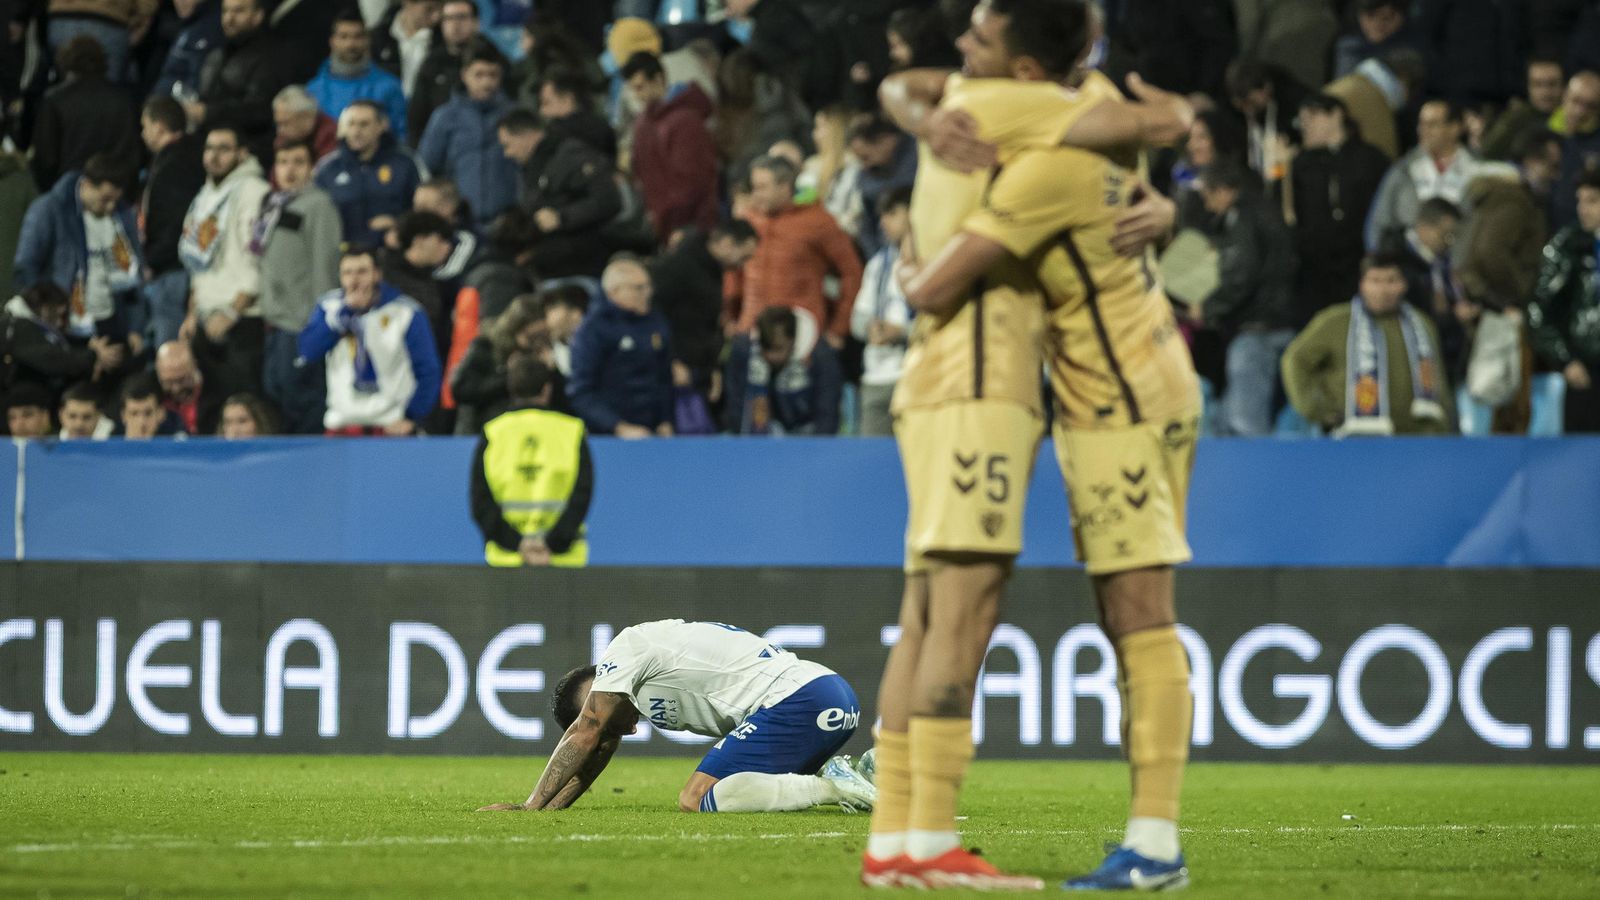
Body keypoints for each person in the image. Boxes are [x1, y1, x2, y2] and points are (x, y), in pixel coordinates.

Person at [875, 0, 1197, 888]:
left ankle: (1155, 844)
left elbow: (937, 284)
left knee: (1133, 608)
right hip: (1092, 388)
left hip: (1125, 397)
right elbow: (1163, 117)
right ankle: (911, 844)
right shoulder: (1062, 102)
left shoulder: (1043, 138)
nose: (959, 54)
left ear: (1020, 70)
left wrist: (907, 271)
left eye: (977, 40)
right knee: (953, 612)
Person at [478, 619, 876, 814]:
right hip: (828, 697)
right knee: (739, 784)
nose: (628, 731)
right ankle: (867, 772)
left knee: (696, 797)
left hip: (801, 699)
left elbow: (592, 730)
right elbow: (598, 742)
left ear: (594, 692)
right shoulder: (628, 688)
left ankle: (832, 786)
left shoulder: (626, 648)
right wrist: (550, 811)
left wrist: (528, 808)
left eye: (610, 725)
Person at [1281, 253, 1454, 436]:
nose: (1383, 289)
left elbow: (1438, 379)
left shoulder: (1422, 324)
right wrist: (1319, 409)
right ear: (1362, 284)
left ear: (1403, 285)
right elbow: (1295, 360)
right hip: (1352, 436)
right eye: (1375, 281)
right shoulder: (1336, 321)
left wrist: (1442, 423)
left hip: (1417, 436)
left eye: (1391, 280)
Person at [1195, 161, 1297, 436]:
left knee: (1245, 424)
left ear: (1226, 191)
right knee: (1227, 423)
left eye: (1209, 195)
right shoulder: (1265, 211)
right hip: (1279, 322)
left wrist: (1208, 308)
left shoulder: (1243, 217)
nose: (1207, 205)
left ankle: (1257, 477)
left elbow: (1241, 273)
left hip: (1258, 329)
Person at [299, 244, 441, 435]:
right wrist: (343, 316)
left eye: (362, 272)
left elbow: (428, 370)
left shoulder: (405, 312)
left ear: (377, 274)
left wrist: (411, 416)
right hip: (342, 424)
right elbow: (308, 351)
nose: (354, 280)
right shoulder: (329, 308)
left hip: (391, 425)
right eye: (347, 273)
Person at [726, 155, 863, 349]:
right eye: (753, 187)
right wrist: (730, 316)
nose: (755, 195)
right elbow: (733, 271)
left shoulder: (819, 222)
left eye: (762, 188)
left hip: (801, 337)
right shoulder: (747, 220)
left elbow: (852, 273)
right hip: (750, 333)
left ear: (785, 187)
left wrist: (839, 329)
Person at [469, 353, 592, 567]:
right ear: (547, 389)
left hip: (507, 560)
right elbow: (581, 496)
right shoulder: (572, 431)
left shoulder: (493, 433)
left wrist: (517, 544)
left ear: (511, 389)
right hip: (563, 559)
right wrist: (552, 543)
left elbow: (481, 502)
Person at [13, 154, 144, 347]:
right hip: (67, 329)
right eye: (105, 199)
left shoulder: (121, 215)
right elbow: (26, 269)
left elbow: (131, 274)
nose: (110, 207)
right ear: (87, 184)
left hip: (113, 324)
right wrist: (48, 322)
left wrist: (134, 327)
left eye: (115, 200)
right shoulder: (48, 210)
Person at [179, 124, 270, 404]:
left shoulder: (256, 192)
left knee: (244, 406)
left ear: (242, 154)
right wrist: (192, 313)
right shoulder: (204, 196)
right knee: (211, 409)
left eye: (224, 149)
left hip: (242, 318)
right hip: (207, 316)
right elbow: (198, 261)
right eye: (209, 148)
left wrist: (232, 312)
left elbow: (259, 258)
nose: (214, 156)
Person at [256, 141, 342, 435]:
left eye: (298, 162)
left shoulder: (319, 205)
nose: (289, 169)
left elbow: (325, 266)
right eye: (283, 162)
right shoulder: (273, 203)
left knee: (302, 401)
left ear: (311, 168)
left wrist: (318, 324)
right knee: (277, 393)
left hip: (301, 323)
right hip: (276, 322)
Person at [1291, 93, 1391, 321]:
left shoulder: (1371, 160)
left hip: (1359, 267)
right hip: (1314, 275)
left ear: (1336, 115)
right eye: (1301, 120)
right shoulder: (1301, 164)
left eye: (1312, 117)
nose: (1305, 126)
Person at [497, 108, 621, 279]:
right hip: (553, 266)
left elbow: (608, 200)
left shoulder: (571, 156)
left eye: (507, 145)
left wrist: (562, 217)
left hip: (582, 265)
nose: (507, 153)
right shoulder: (533, 167)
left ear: (526, 135)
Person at [648, 221, 760, 409]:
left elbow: (704, 326)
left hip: (696, 370)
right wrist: (671, 360)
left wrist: (711, 369)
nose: (742, 265)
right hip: (674, 373)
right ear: (726, 242)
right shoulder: (679, 265)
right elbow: (654, 313)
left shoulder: (713, 270)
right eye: (744, 256)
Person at [566, 256, 674, 438]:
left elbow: (664, 377)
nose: (647, 293)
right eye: (638, 288)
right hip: (609, 438)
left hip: (653, 434)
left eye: (648, 286)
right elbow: (581, 391)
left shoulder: (656, 321)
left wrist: (666, 420)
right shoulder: (593, 329)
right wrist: (618, 427)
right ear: (614, 292)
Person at [417, 40, 519, 229]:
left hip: (507, 222)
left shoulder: (514, 116)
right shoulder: (445, 117)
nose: (486, 82)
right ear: (464, 75)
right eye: (479, 75)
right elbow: (428, 165)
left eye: (492, 75)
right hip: (458, 223)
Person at [1528, 171, 1600, 433]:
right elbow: (1539, 310)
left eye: (1592, 201)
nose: (1583, 209)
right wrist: (1565, 360)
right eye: (1580, 201)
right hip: (1585, 373)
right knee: (1583, 457)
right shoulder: (1568, 246)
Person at [623, 52, 718, 244]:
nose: (637, 96)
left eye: (640, 87)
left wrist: (682, 226)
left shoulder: (686, 121)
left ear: (658, 79)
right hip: (663, 225)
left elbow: (693, 181)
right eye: (633, 89)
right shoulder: (643, 123)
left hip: (691, 226)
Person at [29, 35, 140, 194]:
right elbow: (132, 156)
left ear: (64, 62)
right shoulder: (124, 101)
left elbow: (45, 160)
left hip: (68, 195)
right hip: (114, 195)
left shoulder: (54, 100)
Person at [189, 0, 298, 160]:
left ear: (258, 16)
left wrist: (208, 113)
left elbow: (260, 111)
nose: (229, 18)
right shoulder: (216, 54)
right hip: (209, 145)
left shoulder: (271, 57)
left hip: (249, 149)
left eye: (238, 11)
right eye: (226, 11)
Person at [1366, 100, 1481, 249]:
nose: (1423, 130)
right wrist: (1379, 258)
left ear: (1454, 128)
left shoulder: (1477, 171)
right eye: (1421, 124)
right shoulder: (1403, 170)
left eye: (1432, 125)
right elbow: (1378, 222)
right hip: (1409, 262)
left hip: (1458, 262)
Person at [140, 96, 207, 350]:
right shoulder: (182, 156)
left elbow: (177, 221)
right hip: (171, 268)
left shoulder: (176, 163)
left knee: (169, 348)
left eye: (144, 126)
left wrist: (153, 259)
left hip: (172, 271)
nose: (143, 134)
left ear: (158, 127)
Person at [314, 100, 425, 247]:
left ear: (382, 126)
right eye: (351, 124)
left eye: (364, 124)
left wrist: (399, 224)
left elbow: (424, 209)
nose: (356, 131)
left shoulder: (406, 163)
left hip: (392, 254)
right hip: (343, 256)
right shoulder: (327, 168)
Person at [849, 188, 913, 436]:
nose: (883, 221)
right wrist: (872, 328)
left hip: (915, 377)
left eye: (892, 213)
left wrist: (902, 332)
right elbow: (857, 320)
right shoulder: (878, 264)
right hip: (876, 377)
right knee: (873, 464)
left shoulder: (936, 261)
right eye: (882, 215)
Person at [725, 306, 841, 435]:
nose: (771, 356)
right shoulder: (745, 350)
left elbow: (827, 411)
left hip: (808, 432)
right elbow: (736, 402)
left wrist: (818, 450)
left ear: (793, 340)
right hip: (767, 433)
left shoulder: (821, 356)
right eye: (766, 348)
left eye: (778, 348)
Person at [307, 8, 409, 143]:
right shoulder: (313, 91)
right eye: (344, 36)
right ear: (332, 41)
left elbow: (401, 138)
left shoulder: (390, 87)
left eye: (358, 36)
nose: (351, 44)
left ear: (367, 40)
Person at [2, 283, 117, 402]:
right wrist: (92, 355)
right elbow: (52, 359)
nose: (61, 323)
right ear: (45, 309)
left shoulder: (19, 325)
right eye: (60, 315)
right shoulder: (18, 326)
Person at [407, 0, 479, 147]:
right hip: (438, 149)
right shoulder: (431, 64)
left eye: (462, 17)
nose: (455, 24)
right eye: (449, 18)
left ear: (476, 22)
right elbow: (417, 117)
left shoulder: (492, 59)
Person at [846, 115, 918, 259]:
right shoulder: (866, 176)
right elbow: (867, 224)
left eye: (865, 156)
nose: (864, 165)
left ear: (887, 140)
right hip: (886, 254)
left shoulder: (919, 155)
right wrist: (876, 257)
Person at [1481, 57, 1567, 161]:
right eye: (1538, 84)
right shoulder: (1515, 118)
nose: (1545, 92)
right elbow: (1488, 153)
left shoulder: (1575, 115)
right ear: (1528, 87)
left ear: (1563, 85)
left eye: (1552, 84)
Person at [538, 66, 617, 161]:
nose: (542, 111)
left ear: (567, 99)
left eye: (546, 103)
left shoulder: (555, 135)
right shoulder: (603, 126)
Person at [371, 0, 441, 97]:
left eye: (439, 9)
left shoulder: (441, 39)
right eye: (428, 9)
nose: (436, 17)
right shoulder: (379, 37)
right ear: (407, 2)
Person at [154, 339, 220, 435]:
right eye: (168, 382)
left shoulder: (217, 386)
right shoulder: (152, 392)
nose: (176, 388)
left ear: (195, 366)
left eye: (182, 380)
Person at [271, 86, 339, 162]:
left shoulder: (330, 135)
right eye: (278, 124)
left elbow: (324, 171)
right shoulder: (283, 139)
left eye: (286, 123)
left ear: (307, 117)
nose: (280, 130)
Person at [117, 374, 183, 439]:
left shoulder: (178, 443)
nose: (142, 423)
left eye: (148, 413)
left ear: (161, 413)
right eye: (134, 414)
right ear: (123, 416)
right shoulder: (108, 445)